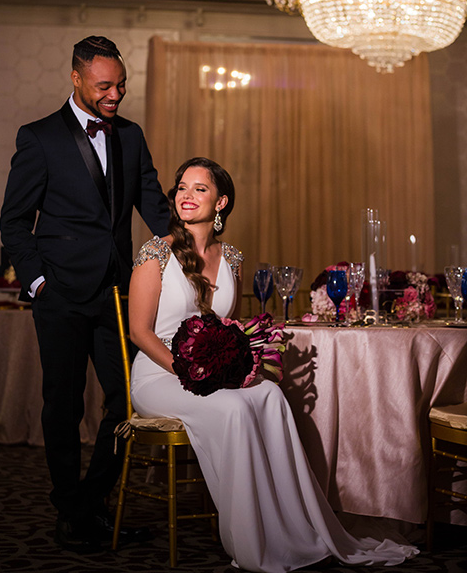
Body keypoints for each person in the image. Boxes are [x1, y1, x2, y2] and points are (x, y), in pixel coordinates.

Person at [129, 156, 419, 573]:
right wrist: (189, 372)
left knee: (269, 395)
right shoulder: (155, 252)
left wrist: (235, 365)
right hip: (160, 374)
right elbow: (140, 332)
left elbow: (227, 326)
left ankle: (292, 530)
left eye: (199, 189)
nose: (186, 196)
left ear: (222, 202)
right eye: (181, 188)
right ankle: (253, 544)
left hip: (207, 372)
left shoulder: (232, 258)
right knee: (232, 409)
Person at [0, 35, 170, 553]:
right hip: (61, 294)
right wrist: (37, 282)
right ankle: (70, 510)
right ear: (76, 79)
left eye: (121, 84)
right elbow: (13, 222)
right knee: (63, 405)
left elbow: (155, 208)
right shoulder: (39, 137)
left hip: (118, 294)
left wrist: (196, 243)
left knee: (126, 401)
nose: (115, 93)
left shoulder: (132, 136)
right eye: (104, 85)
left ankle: (90, 503)